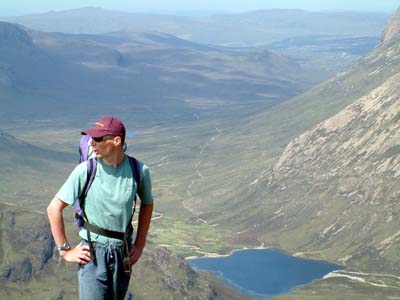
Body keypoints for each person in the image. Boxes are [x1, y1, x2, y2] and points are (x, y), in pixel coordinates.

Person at [47, 116, 154, 300]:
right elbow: (53, 208)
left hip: (123, 252)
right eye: (91, 139)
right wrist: (65, 250)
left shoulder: (139, 170)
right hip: (93, 254)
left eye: (98, 139)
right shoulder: (85, 170)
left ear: (116, 141)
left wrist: (140, 244)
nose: (92, 144)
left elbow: (147, 203)